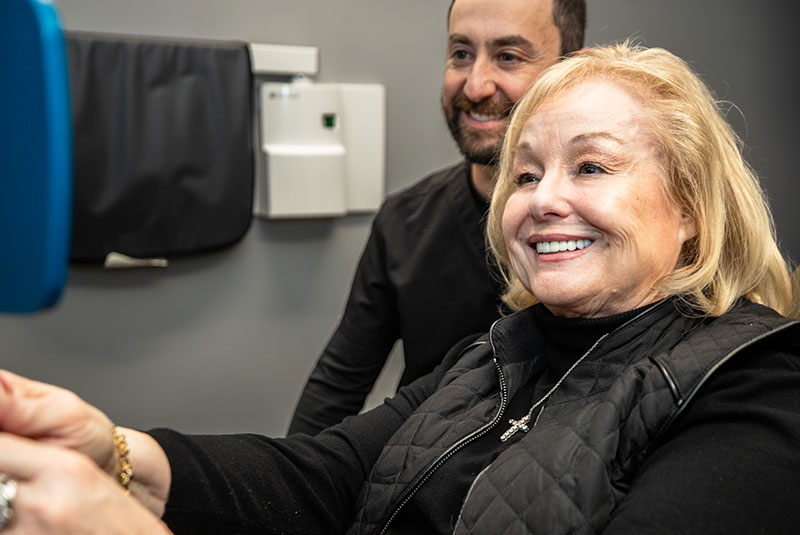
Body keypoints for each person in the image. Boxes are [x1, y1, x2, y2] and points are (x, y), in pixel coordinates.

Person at [1, 42, 799, 534]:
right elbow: (324, 475)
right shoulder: (497, 349)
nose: (542, 198)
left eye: (590, 165)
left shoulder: (753, 380)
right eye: (525, 173)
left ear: (691, 211)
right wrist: (113, 451)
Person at [288, 0, 587, 435]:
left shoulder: (601, 225)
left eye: (508, 56)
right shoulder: (404, 222)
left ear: (570, 72)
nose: (477, 86)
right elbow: (336, 387)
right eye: (461, 54)